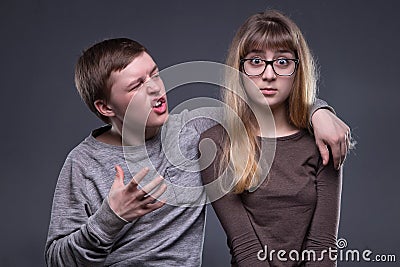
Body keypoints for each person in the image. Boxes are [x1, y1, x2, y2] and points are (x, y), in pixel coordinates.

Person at [45, 36, 350, 266]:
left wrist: (318, 111)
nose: (155, 88)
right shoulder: (83, 163)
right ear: (105, 106)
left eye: (154, 73)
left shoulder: (197, 131)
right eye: (137, 85)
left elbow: (268, 106)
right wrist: (111, 217)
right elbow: (57, 259)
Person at [200, 10, 352, 266]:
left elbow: (323, 246)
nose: (269, 75)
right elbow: (244, 247)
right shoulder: (216, 144)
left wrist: (318, 109)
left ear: (297, 69)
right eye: (256, 61)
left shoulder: (321, 141)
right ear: (239, 69)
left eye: (282, 62)